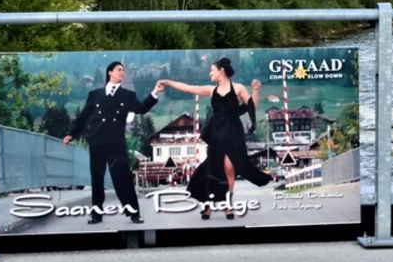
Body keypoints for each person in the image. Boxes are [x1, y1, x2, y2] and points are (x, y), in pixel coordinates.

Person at [158, 58, 270, 220]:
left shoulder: (238, 88)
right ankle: (208, 206)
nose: (210, 73)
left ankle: (227, 206)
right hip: (217, 132)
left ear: (221, 71)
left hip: (233, 132)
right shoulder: (212, 90)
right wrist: (168, 82)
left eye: (212, 70)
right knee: (214, 170)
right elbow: (190, 89)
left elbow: (253, 106)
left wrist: (255, 90)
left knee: (230, 170)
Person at [64, 61, 163, 224]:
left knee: (123, 177)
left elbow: (141, 109)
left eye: (123, 71)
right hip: (97, 141)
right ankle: (96, 214)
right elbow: (83, 116)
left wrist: (155, 92)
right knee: (97, 178)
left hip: (116, 143)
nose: (122, 73)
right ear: (110, 72)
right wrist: (71, 134)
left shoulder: (128, 95)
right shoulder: (95, 94)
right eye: (119, 70)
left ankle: (134, 213)